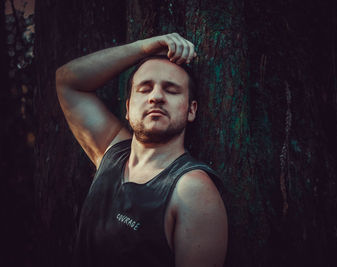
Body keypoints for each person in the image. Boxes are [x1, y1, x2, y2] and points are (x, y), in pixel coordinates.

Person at [55, 33, 228, 267]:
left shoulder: (192, 189)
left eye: (171, 90)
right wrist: (144, 48)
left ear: (191, 110)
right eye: (145, 89)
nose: (156, 97)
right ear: (127, 108)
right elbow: (67, 81)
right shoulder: (111, 152)